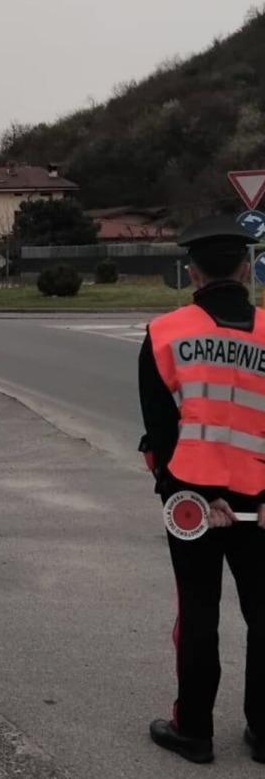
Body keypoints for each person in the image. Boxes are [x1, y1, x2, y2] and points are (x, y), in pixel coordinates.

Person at [139, 214, 265, 764]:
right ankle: (263, 731)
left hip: (192, 499)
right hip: (260, 504)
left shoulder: (165, 332)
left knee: (198, 610)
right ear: (245, 268)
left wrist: (175, 486)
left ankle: (193, 730)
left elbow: (159, 428)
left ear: (191, 271)